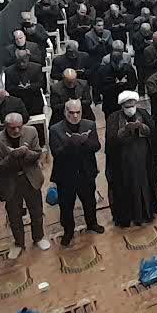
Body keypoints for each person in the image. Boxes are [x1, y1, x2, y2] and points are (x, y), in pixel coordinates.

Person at [0, 112, 48, 259]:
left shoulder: (31, 131)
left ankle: (38, 237)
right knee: (14, 215)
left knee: (36, 211)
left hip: (30, 178)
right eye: (12, 128)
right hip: (10, 182)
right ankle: (19, 243)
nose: (16, 130)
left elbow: (37, 154)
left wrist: (25, 153)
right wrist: (11, 157)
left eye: (19, 127)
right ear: (5, 126)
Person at [49, 99, 103, 245]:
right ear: (65, 112)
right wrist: (70, 143)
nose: (75, 116)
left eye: (78, 112)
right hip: (66, 175)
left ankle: (92, 223)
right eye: (71, 113)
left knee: (89, 201)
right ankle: (68, 231)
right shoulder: (55, 129)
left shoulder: (89, 125)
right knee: (66, 205)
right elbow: (56, 153)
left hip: (86, 172)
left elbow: (96, 146)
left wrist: (84, 141)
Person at [105, 91, 157, 227]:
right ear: (122, 106)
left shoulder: (143, 113)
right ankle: (128, 216)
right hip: (124, 161)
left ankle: (145, 213)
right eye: (127, 107)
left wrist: (141, 127)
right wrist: (125, 130)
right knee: (126, 187)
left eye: (132, 106)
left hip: (143, 159)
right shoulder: (114, 118)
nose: (130, 109)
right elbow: (111, 140)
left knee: (144, 185)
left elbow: (152, 131)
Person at [5, 49, 46, 116]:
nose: (21, 64)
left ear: (28, 58)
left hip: (35, 102)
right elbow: (8, 87)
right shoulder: (9, 71)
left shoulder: (37, 68)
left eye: (23, 62)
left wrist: (30, 86)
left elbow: (42, 84)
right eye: (19, 62)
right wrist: (19, 88)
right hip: (18, 102)